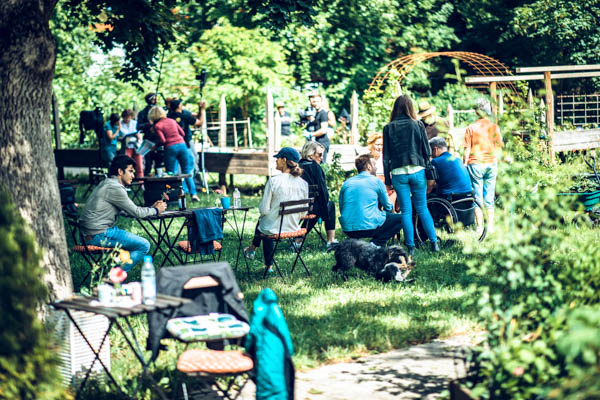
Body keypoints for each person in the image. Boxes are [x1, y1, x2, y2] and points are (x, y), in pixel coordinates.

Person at [79, 155, 167, 271]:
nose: (133, 175)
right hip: (99, 235)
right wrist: (156, 210)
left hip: (88, 235)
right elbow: (137, 212)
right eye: (130, 171)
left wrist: (150, 209)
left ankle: (112, 272)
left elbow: (129, 211)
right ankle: (114, 277)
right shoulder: (115, 187)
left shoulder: (107, 183)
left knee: (134, 244)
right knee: (143, 245)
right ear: (120, 171)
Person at [383, 95, 439, 255]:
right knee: (422, 208)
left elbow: (386, 156)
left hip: (398, 173)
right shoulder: (418, 124)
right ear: (411, 107)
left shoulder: (388, 127)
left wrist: (387, 179)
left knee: (406, 211)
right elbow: (427, 151)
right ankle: (434, 243)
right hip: (418, 170)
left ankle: (411, 247)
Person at [244, 147, 308, 274]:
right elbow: (303, 213)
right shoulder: (303, 183)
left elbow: (263, 210)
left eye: (278, 158)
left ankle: (267, 265)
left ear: (284, 160)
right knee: (266, 222)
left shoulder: (274, 181)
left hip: (274, 228)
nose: (276, 161)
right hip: (294, 227)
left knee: (264, 223)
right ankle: (254, 252)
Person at [339, 154, 403, 247]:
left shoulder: (347, 183)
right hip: (369, 227)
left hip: (348, 228)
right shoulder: (376, 181)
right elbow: (387, 206)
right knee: (403, 218)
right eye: (374, 164)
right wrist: (391, 213)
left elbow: (341, 207)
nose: (376, 168)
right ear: (369, 166)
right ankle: (376, 243)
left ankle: (357, 242)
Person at [463, 99, 503, 232]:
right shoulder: (494, 127)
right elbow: (499, 147)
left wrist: (464, 164)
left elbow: (467, 149)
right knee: (489, 196)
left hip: (475, 164)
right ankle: (490, 226)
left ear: (476, 112)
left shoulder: (471, 128)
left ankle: (480, 227)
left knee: (477, 197)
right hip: (491, 163)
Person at [149, 106, 200, 202]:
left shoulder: (158, 126)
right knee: (187, 172)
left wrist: (155, 146)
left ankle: (173, 197)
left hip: (170, 148)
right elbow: (183, 133)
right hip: (182, 146)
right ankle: (194, 194)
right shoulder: (172, 121)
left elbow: (163, 140)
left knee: (171, 173)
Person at [298, 141, 338, 250]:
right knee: (327, 206)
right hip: (309, 208)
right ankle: (331, 240)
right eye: (319, 155)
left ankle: (298, 239)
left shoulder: (296, 166)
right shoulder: (315, 167)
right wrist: (325, 212)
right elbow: (323, 191)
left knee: (317, 206)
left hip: (293, 207)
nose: (322, 158)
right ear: (310, 155)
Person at [168, 98, 206, 178]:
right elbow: (199, 123)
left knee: (176, 165)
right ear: (178, 106)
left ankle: (178, 181)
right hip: (186, 142)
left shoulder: (169, 115)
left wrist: (199, 109)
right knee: (190, 161)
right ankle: (192, 179)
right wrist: (202, 110)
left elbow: (196, 115)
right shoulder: (185, 115)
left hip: (172, 144)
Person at [367, 133, 397, 210]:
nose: (380, 147)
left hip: (387, 189)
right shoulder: (366, 159)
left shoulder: (387, 158)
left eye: (382, 145)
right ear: (371, 145)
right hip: (371, 190)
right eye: (377, 144)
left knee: (390, 208)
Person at [137, 93, 164, 176]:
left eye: (155, 99)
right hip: (148, 140)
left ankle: (159, 179)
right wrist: (148, 124)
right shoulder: (142, 113)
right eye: (152, 99)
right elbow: (139, 126)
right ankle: (147, 181)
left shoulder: (159, 111)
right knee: (148, 164)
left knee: (159, 164)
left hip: (158, 140)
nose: (154, 100)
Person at [305, 91, 331, 163]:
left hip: (322, 143)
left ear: (321, 102)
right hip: (317, 143)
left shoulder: (323, 113)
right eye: (314, 102)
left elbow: (323, 130)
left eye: (317, 101)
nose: (315, 103)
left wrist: (311, 134)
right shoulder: (316, 113)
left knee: (322, 165)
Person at [120, 109, 143, 178]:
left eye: (129, 117)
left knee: (139, 165)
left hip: (136, 146)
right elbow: (121, 134)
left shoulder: (135, 123)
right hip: (127, 146)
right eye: (126, 117)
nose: (127, 119)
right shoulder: (120, 124)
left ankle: (141, 181)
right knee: (127, 165)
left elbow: (138, 134)